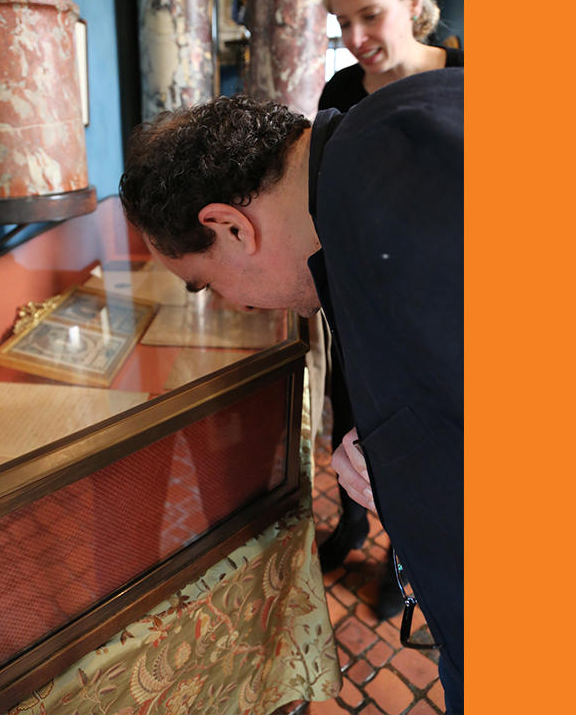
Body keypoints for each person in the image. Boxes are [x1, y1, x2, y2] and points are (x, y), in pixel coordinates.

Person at [119, 70, 463, 713]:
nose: (239, 303)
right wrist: (395, 442)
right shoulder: (367, 169)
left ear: (230, 227)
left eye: (208, 283)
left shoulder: (401, 184)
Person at [315, 0, 464, 618]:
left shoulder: (466, 77)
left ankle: (405, 561)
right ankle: (350, 524)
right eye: (343, 22)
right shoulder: (343, 90)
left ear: (414, 3)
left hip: (442, 317)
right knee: (354, 428)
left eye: (369, 14)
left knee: (426, 454)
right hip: (359, 303)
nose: (355, 36)